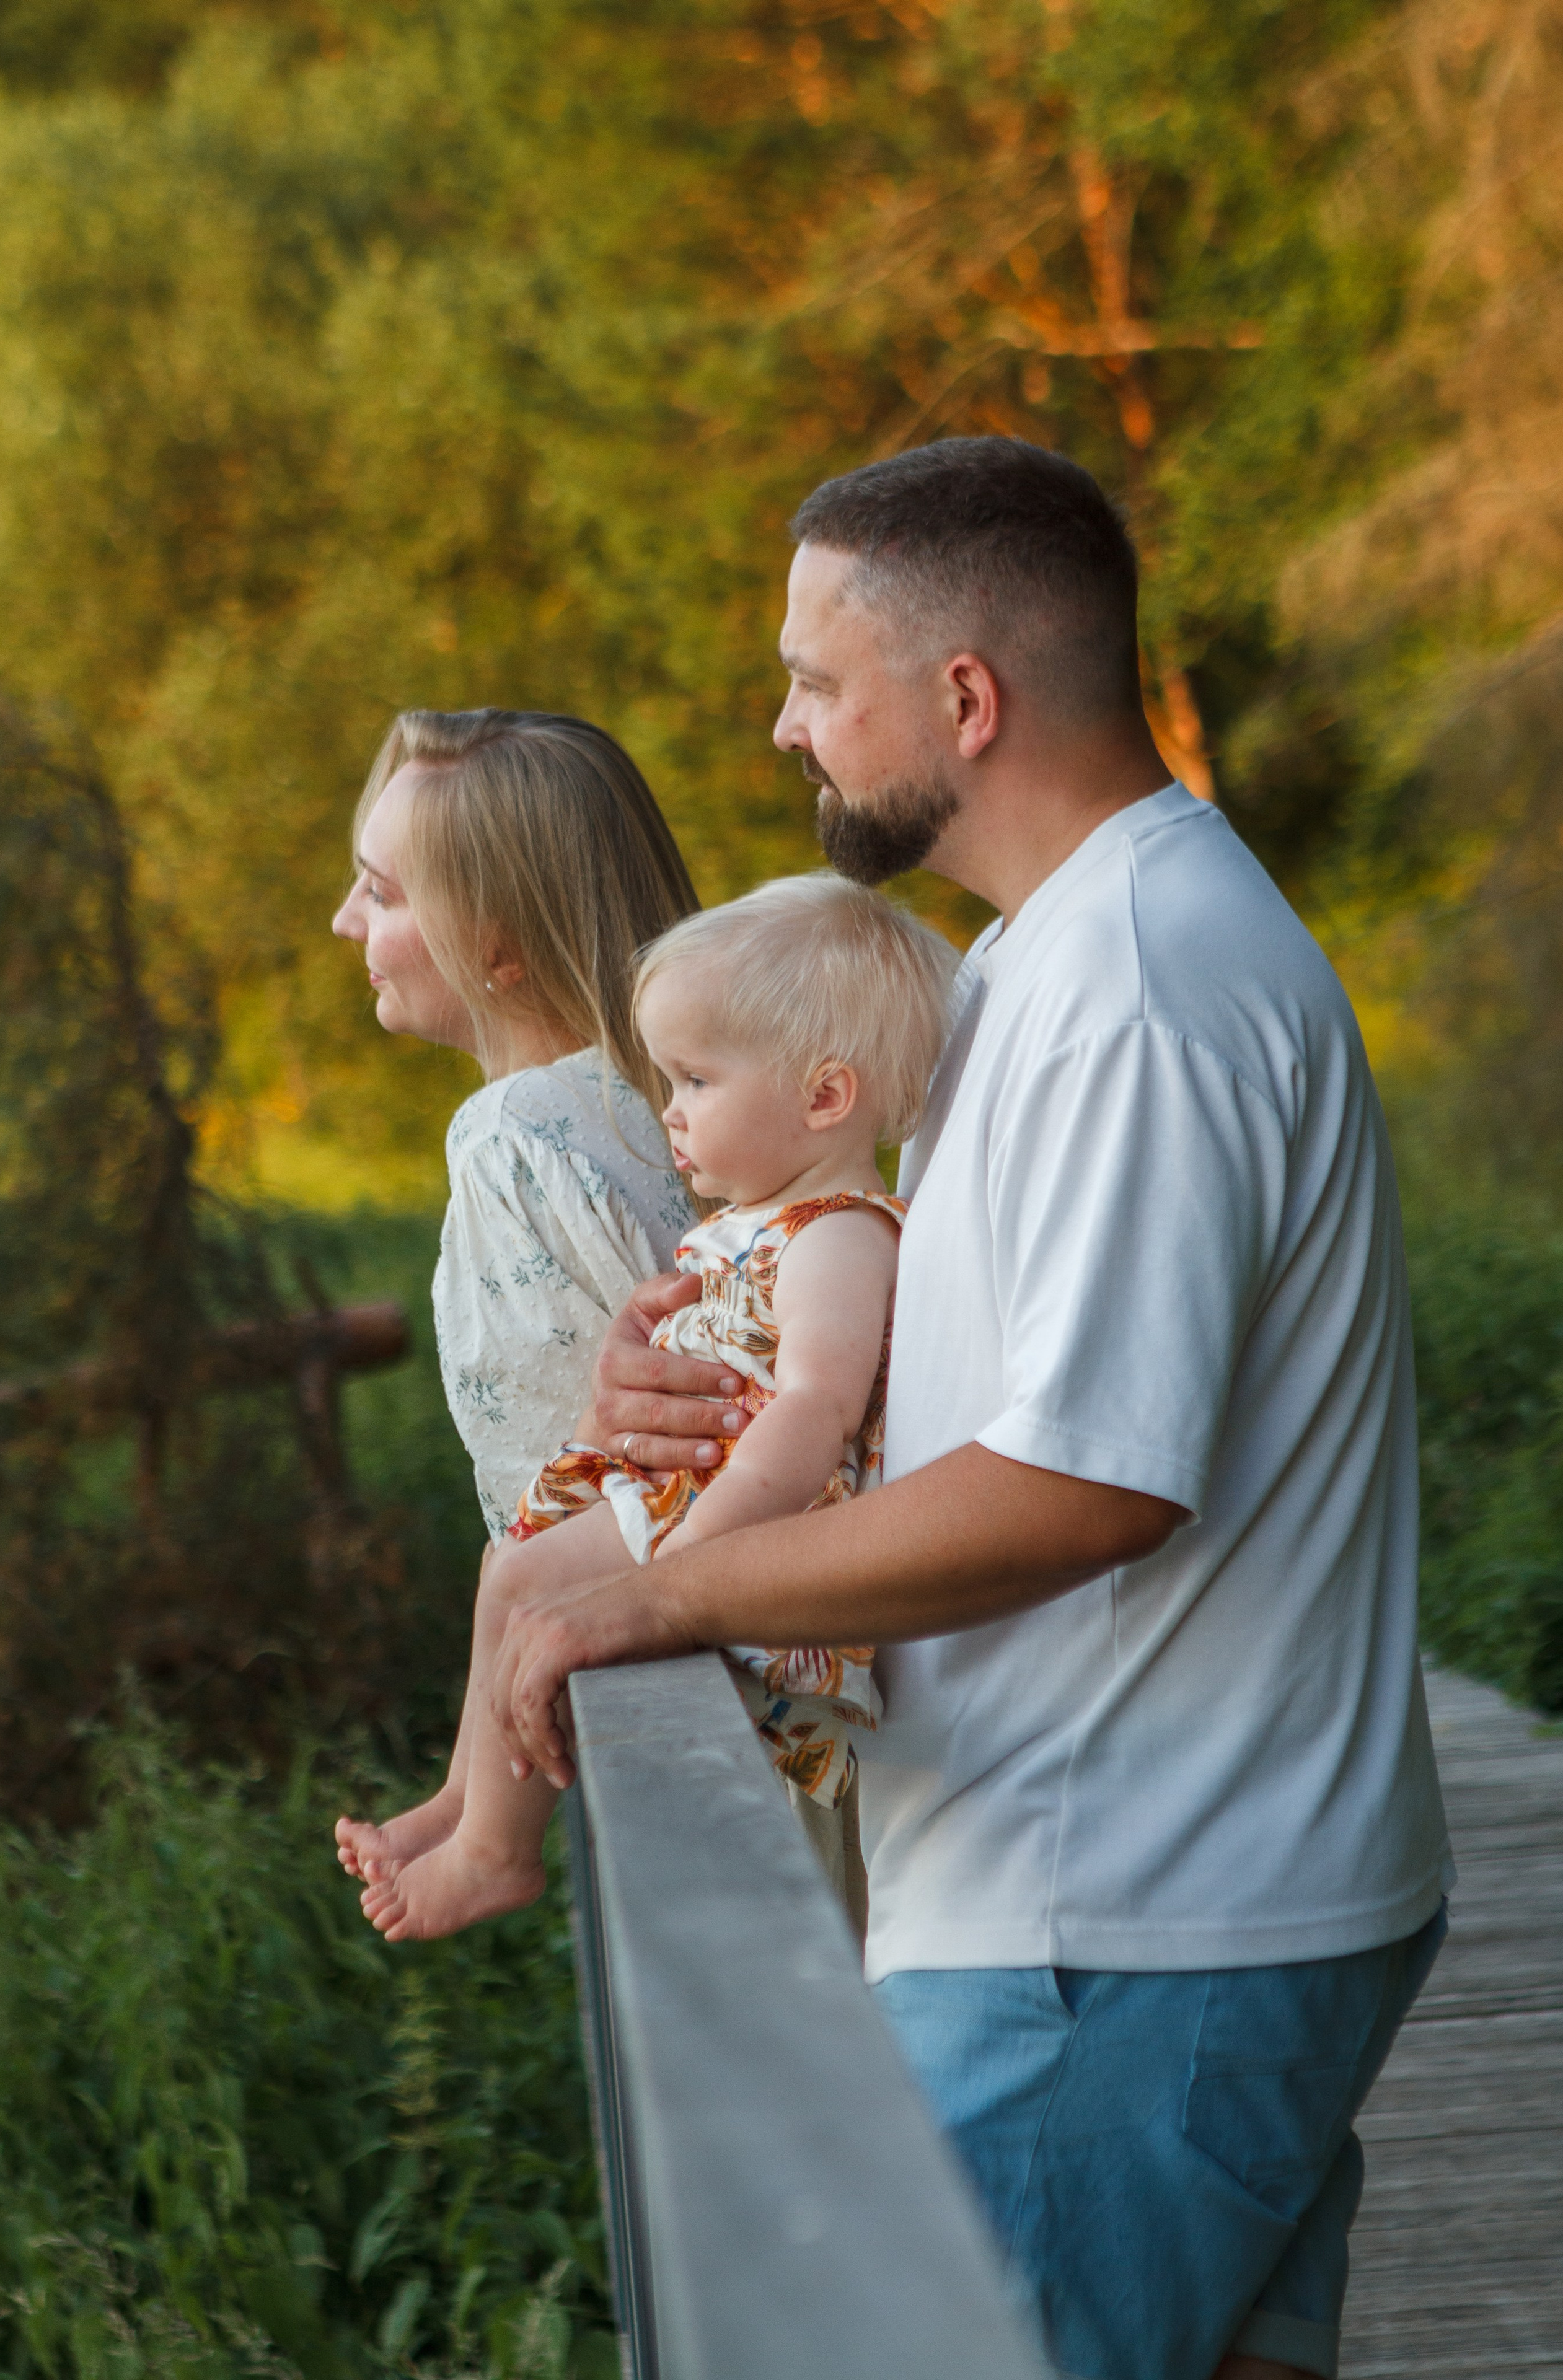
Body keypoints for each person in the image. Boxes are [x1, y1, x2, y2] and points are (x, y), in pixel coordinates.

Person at [485, 440, 1455, 2380]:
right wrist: (696, 1385)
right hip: (1147, 1902)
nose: (782, 728)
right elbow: (970, 1368)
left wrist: (657, 1598)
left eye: (814, 681)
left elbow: (1088, 1482)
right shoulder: (1034, 964)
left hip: (1128, 1922)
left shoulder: (1144, 990)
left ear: (964, 700)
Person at [354, 874, 959, 1942]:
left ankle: (497, 1853)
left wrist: (695, 1563)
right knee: (510, 1570)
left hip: (742, 1528)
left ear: (824, 1099)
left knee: (532, 1581)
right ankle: (465, 1801)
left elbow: (814, 1414)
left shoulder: (836, 1235)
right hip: (690, 1503)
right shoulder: (768, 1217)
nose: (670, 1110)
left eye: (695, 1078)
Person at [327, 705, 703, 1884]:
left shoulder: (513, 1138)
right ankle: (466, 1799)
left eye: (381, 894)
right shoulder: (678, 1105)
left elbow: (551, 1502)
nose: (347, 921)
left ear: (497, 951)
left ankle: (491, 1839)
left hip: (654, 1683)